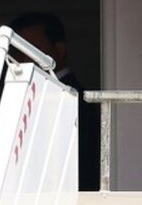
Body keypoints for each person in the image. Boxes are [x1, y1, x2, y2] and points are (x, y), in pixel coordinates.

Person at [10, 12, 100, 191]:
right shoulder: (29, 92)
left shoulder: (71, 98)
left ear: (59, 50)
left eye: (32, 48)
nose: (23, 57)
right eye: (17, 51)